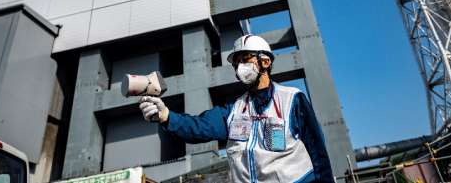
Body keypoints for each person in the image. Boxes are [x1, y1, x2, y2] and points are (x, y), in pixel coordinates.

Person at [139, 34, 334, 182]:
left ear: (265, 61)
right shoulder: (235, 110)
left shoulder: (292, 100)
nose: (240, 66)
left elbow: (317, 152)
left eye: (245, 58)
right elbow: (200, 126)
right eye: (236, 62)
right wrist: (166, 116)